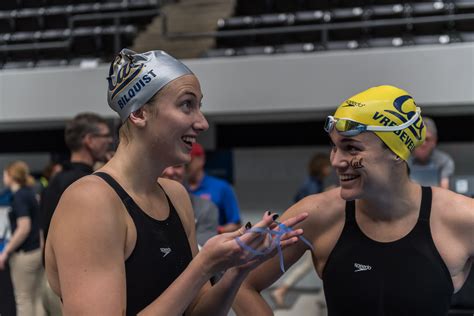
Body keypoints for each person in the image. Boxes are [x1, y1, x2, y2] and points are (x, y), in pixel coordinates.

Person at [45, 48, 308, 315]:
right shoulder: (91, 202)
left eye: (199, 106)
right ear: (138, 113)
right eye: (187, 105)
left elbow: (197, 312)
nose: (202, 123)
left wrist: (237, 270)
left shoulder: (175, 195)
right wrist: (203, 265)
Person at [234, 85, 474, 316]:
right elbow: (240, 282)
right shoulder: (316, 214)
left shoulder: (462, 218)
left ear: (395, 152)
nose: (336, 161)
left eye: (351, 148)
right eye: (334, 147)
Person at [40, 112, 112, 316]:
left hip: (55, 280)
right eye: (105, 136)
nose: (109, 141)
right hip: (74, 285)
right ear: (89, 140)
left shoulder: (57, 180)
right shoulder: (87, 184)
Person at [271, 153, 332, 308]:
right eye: (327, 166)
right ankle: (282, 290)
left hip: (307, 229)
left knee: (315, 264)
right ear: (320, 167)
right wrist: (327, 194)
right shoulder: (311, 185)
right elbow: (312, 207)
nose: (330, 169)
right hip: (307, 230)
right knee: (311, 264)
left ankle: (320, 296)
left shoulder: (315, 183)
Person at [0, 161, 43, 316]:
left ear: (11, 176)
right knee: (36, 297)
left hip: (25, 254)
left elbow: (23, 227)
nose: (3, 177)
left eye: (5, 174)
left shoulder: (19, 196)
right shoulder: (30, 193)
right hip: (36, 251)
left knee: (23, 298)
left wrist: (6, 252)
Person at [187, 143, 242, 233]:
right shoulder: (179, 187)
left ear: (201, 159)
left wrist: (211, 230)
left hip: (212, 242)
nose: (186, 166)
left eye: (189, 161)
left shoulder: (221, 187)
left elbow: (236, 225)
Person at [162, 164, 218, 247]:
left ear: (186, 171)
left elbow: (202, 250)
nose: (170, 172)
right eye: (165, 164)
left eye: (177, 166)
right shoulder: (140, 206)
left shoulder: (206, 207)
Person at [408, 116, 455, 189]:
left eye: (427, 139)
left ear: (434, 141)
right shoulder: (403, 161)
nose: (423, 144)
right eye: (419, 139)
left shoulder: (444, 161)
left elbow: (444, 190)